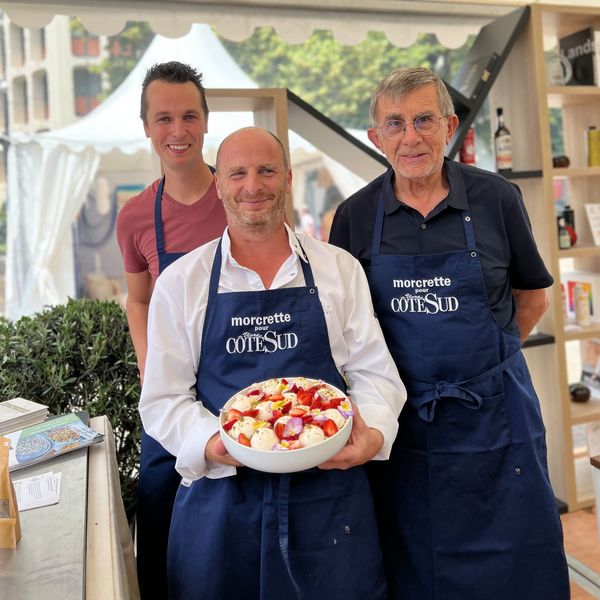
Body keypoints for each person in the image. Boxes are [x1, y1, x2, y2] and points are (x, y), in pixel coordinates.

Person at [328, 67, 570, 600]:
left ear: (449, 125)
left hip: (499, 424)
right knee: (417, 565)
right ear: (376, 137)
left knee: (520, 561)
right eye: (395, 124)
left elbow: (532, 296)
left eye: (423, 120)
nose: (410, 137)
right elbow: (347, 330)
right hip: (408, 430)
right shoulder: (354, 216)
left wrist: (489, 368)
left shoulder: (496, 198)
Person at [139, 126, 406, 599]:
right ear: (218, 182)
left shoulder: (338, 268)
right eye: (237, 173)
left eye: (266, 171)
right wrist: (215, 442)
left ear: (287, 178)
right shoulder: (182, 282)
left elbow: (374, 373)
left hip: (328, 497)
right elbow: (162, 399)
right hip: (224, 502)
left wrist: (372, 435)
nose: (253, 186)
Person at [115, 61, 227, 599]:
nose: (177, 131)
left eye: (188, 116)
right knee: (161, 508)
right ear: (146, 127)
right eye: (164, 118)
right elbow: (138, 299)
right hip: (172, 394)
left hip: (237, 387)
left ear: (206, 122)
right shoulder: (136, 216)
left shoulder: (241, 197)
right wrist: (147, 363)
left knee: (235, 517)